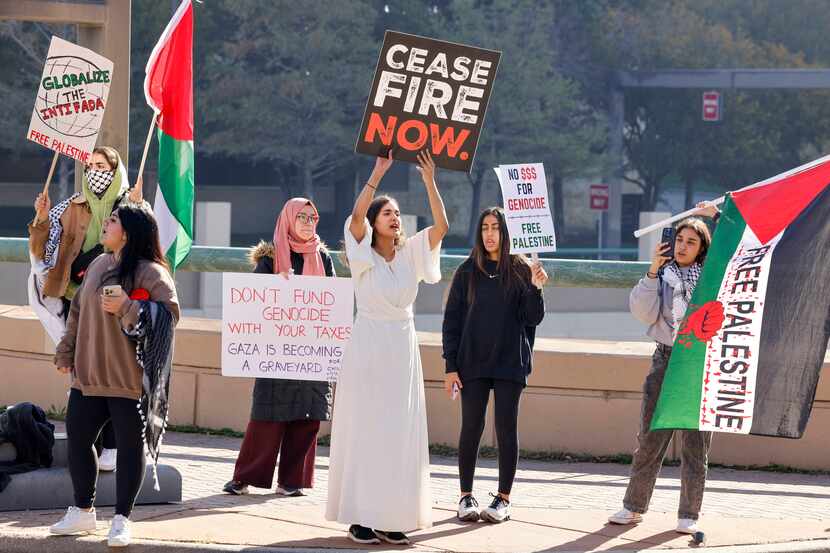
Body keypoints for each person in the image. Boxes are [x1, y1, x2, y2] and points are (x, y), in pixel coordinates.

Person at [326, 150, 448, 546]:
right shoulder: (362, 255)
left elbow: (442, 227)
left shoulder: (412, 251)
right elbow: (356, 217)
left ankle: (392, 515)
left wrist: (429, 180)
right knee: (366, 429)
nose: (394, 218)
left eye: (396, 213)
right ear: (375, 224)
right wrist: (377, 173)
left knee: (399, 432)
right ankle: (361, 516)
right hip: (368, 345)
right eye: (387, 214)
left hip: (401, 346)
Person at [49, 204, 179, 548]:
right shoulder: (97, 264)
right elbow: (76, 313)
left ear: (130, 232)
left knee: (130, 449)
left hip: (130, 380)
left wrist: (127, 306)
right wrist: (66, 351)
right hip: (87, 375)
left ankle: (122, 518)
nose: (105, 224)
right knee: (78, 440)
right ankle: (82, 509)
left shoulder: (151, 273)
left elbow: (169, 316)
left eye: (113, 220)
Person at [29, 146, 143, 472]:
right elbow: (43, 248)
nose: (95, 171)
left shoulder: (131, 206)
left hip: (113, 299)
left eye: (102, 166)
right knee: (83, 369)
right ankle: (89, 442)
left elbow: (146, 245)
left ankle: (111, 444)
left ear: (115, 169)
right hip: (75, 298)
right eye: (90, 165)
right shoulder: (71, 205)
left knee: (111, 369)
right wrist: (41, 218)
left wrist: (136, 211)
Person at [608, 202, 719, 535]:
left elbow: (739, 246)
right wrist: (653, 271)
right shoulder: (662, 276)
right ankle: (633, 507)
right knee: (651, 438)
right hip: (666, 358)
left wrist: (715, 216)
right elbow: (643, 312)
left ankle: (689, 514)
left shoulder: (710, 277)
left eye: (691, 242)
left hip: (699, 362)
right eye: (680, 239)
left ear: (702, 249)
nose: (683, 246)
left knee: (696, 444)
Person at [222, 198, 335, 497]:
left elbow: (331, 301)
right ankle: (245, 476)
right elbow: (258, 303)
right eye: (301, 216)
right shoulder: (270, 259)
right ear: (287, 219)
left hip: (312, 351)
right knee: (267, 416)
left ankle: (292, 480)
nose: (308, 222)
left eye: (312, 217)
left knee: (307, 416)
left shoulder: (323, 258)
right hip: (277, 351)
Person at [442, 207, 548, 524]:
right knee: (471, 427)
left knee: (506, 428)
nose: (490, 234)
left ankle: (503, 499)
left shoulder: (521, 269)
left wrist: (536, 286)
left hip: (510, 362)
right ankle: (465, 496)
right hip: (471, 361)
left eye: (496, 227)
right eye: (485, 227)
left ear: (506, 232)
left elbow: (533, 318)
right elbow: (452, 322)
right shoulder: (466, 271)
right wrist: (450, 365)